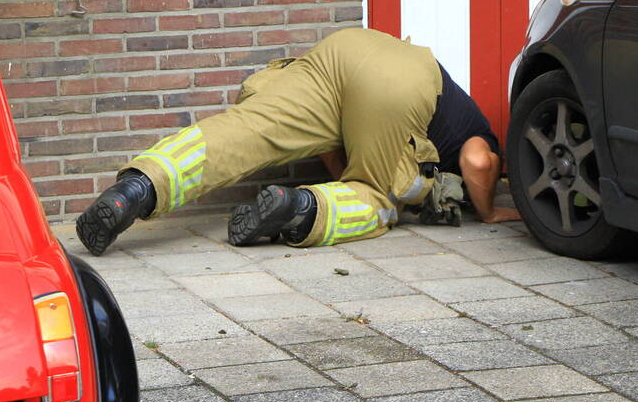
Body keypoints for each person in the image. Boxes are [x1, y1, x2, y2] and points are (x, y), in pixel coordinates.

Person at [76, 28, 520, 256]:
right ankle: (300, 210)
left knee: (244, 131)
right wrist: (490, 210)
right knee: (381, 200)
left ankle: (136, 187)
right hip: (397, 79)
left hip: (344, 49)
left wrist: (343, 173)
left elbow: (329, 141)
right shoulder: (480, 132)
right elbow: (478, 162)